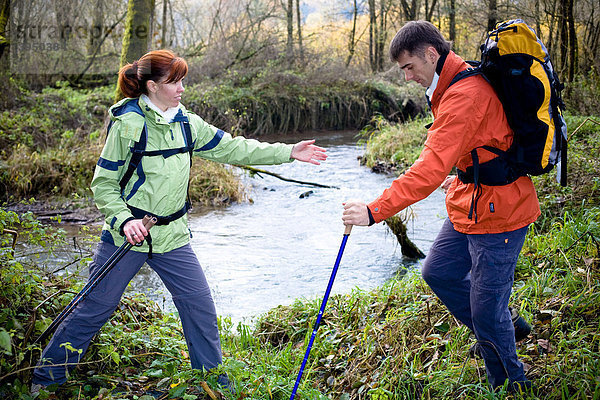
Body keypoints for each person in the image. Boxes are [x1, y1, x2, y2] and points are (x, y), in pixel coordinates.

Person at [32, 49, 327, 393]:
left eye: (183, 80)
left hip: (172, 236)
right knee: (94, 309)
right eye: (175, 82)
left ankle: (214, 385)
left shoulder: (187, 122)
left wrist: (288, 152)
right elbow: (104, 184)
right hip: (127, 237)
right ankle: (45, 381)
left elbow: (232, 147)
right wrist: (125, 220)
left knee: (199, 307)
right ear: (153, 86)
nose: (182, 88)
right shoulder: (128, 125)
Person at [342, 21, 537, 392]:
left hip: (503, 213)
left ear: (432, 54)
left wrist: (373, 210)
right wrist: (465, 173)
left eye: (409, 67)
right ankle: (505, 326)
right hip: (472, 201)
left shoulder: (464, 94)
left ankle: (511, 386)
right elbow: (480, 144)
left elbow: (429, 168)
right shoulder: (448, 85)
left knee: (485, 309)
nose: (407, 77)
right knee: (439, 272)